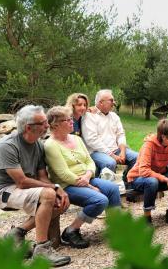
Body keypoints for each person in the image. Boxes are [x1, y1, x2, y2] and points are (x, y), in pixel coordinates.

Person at [0, 105, 71, 266]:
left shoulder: (38, 145)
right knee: (49, 195)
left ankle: (18, 232)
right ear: (28, 127)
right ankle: (42, 250)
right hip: (2, 192)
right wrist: (53, 188)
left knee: (62, 201)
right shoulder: (7, 146)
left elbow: (42, 177)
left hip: (23, 188)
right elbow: (21, 182)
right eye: (43, 123)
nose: (48, 125)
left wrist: (57, 188)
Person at [44, 106, 121, 249]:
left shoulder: (76, 139)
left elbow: (89, 161)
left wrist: (88, 176)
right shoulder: (51, 145)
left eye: (70, 119)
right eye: (66, 120)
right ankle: (71, 231)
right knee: (99, 200)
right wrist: (88, 185)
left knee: (112, 189)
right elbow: (63, 174)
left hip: (87, 178)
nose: (71, 122)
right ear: (55, 125)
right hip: (67, 185)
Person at [127, 119, 168, 225]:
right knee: (152, 181)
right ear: (164, 136)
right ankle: (147, 219)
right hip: (137, 178)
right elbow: (144, 171)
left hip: (156, 176)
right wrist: (165, 179)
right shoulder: (149, 145)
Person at [82, 89, 138, 181]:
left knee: (137, 157)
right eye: (111, 100)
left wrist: (123, 151)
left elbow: (120, 134)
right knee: (110, 163)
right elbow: (92, 140)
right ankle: (105, 190)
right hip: (96, 152)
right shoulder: (89, 116)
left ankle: (128, 183)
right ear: (100, 102)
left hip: (115, 150)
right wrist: (111, 155)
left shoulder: (114, 116)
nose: (114, 103)